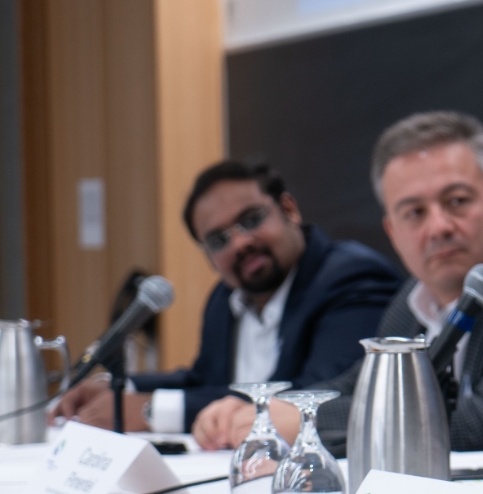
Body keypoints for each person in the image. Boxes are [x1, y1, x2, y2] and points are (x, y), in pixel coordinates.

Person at [193, 112, 483, 472]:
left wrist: (308, 422)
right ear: (392, 231)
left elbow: (476, 431)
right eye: (414, 212)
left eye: (457, 202)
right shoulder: (415, 300)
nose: (439, 227)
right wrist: (274, 407)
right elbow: (357, 384)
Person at [51, 160, 401, 432]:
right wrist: (117, 387)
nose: (240, 243)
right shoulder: (225, 298)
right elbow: (206, 380)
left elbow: (315, 395)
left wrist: (151, 409)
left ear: (289, 209)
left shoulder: (351, 279)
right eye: (218, 240)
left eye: (251, 220)